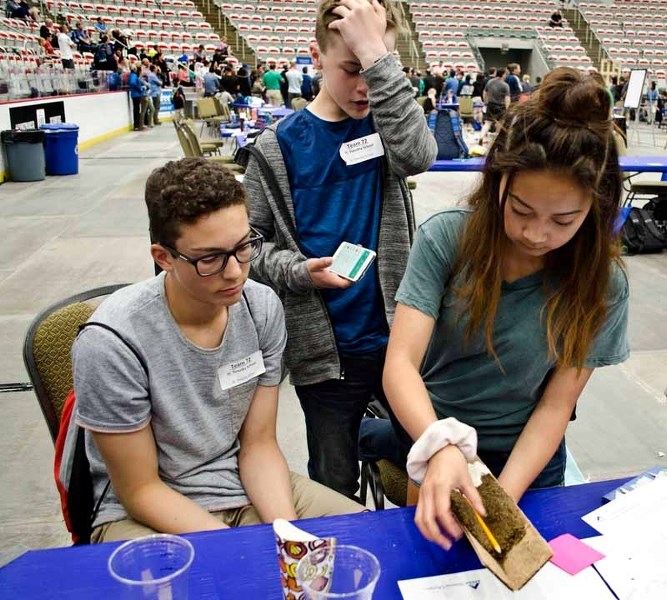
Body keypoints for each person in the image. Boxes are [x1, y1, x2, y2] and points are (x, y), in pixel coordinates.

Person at [364, 67, 629, 549]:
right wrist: (442, 445)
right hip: (434, 432)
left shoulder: (602, 284)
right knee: (427, 564)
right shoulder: (448, 238)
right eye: (522, 210)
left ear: (597, 206)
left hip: (529, 459)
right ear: (498, 180)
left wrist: (500, 502)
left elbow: (555, 405)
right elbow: (399, 365)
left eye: (563, 220)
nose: (536, 234)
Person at [72, 158, 364, 543]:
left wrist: (288, 537)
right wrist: (238, 549)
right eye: (210, 258)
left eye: (244, 247)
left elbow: (258, 445)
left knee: (367, 542)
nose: (235, 272)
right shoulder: (112, 341)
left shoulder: (261, 309)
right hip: (144, 511)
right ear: (163, 258)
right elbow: (140, 490)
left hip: (240, 481)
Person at [244, 0, 437, 499]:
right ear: (317, 57)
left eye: (375, 69)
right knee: (333, 481)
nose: (364, 87)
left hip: (400, 341)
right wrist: (300, 270)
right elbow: (250, 246)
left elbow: (420, 154)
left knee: (428, 455)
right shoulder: (277, 147)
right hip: (325, 356)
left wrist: (378, 58)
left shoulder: (386, 126)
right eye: (351, 70)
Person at [478, 68, 510, 143]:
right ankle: (495, 140)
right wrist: (507, 108)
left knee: (488, 123)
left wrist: (485, 101)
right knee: (500, 123)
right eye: (505, 74)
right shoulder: (505, 85)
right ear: (503, 75)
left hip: (490, 104)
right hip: (501, 106)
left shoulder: (490, 82)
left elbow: (485, 92)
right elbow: (507, 98)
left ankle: (481, 137)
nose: (506, 76)